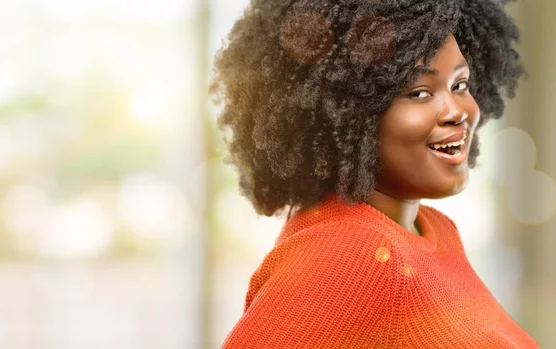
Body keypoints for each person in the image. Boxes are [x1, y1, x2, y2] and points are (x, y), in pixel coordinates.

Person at [209, 0, 539, 347]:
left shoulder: (434, 229)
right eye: (420, 93)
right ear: (349, 114)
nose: (457, 111)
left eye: (460, 85)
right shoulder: (353, 254)